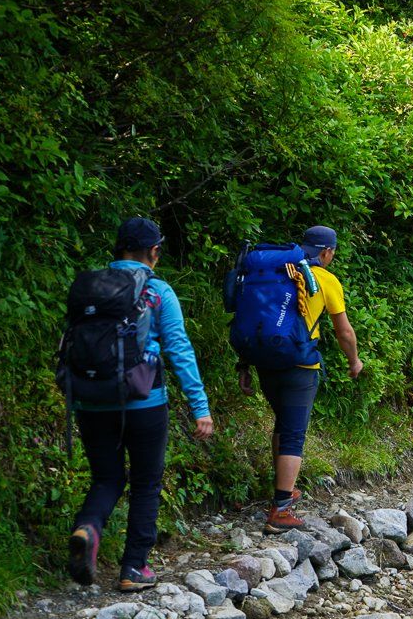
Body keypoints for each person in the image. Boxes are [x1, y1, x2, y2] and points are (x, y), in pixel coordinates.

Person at [66, 218, 214, 591]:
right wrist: (200, 407)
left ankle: (87, 527)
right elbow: (180, 350)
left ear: (118, 250)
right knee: (146, 483)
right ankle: (134, 568)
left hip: (90, 398)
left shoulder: (90, 287)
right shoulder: (158, 291)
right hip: (144, 401)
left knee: (107, 477)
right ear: (154, 252)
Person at [238, 226, 364, 534]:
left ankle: (283, 490)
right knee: (294, 433)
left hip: (265, 361)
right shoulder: (324, 279)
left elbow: (250, 318)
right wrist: (354, 360)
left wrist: (244, 364)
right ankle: (281, 509)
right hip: (300, 365)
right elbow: (344, 332)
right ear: (326, 252)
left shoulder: (274, 271)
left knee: (283, 423)